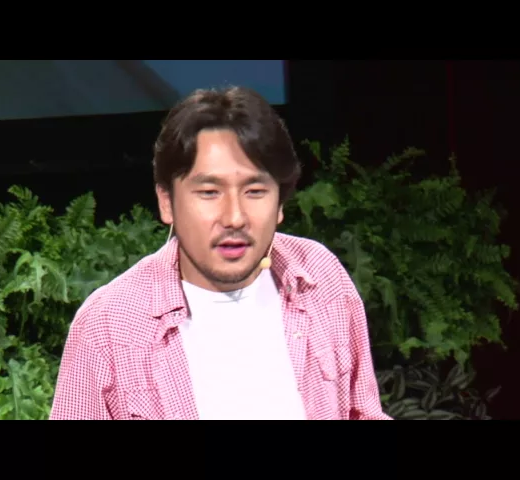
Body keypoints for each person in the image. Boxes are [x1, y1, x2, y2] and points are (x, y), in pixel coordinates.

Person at [49, 86, 390, 420]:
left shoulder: (319, 277)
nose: (234, 217)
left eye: (255, 191)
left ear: (280, 203)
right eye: (210, 192)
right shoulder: (109, 325)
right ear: (167, 201)